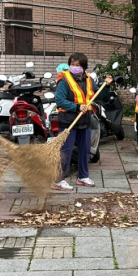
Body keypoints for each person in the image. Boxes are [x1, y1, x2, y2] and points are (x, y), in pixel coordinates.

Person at [51, 53, 112, 191]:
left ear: (84, 67)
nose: (75, 67)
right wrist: (77, 107)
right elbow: (60, 101)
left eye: (78, 65)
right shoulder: (64, 80)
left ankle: (83, 176)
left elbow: (97, 94)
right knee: (65, 151)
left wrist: (106, 86)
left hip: (84, 121)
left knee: (85, 150)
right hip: (68, 122)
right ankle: (58, 180)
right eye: (72, 64)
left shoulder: (88, 79)